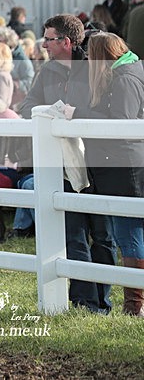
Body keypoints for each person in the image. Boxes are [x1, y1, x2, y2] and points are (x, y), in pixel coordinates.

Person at [18, 14, 116, 314]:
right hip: (62, 164)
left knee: (102, 235)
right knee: (73, 234)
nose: (43, 44)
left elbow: (107, 110)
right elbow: (26, 106)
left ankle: (103, 300)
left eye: (48, 39)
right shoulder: (47, 71)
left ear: (66, 42)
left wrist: (75, 113)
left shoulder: (95, 67)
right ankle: (83, 300)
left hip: (98, 161)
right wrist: (50, 111)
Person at [63, 33, 144, 317]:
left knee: (128, 233)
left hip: (125, 165)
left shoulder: (124, 79)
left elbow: (121, 124)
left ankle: (135, 304)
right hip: (125, 163)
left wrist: (78, 113)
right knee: (129, 231)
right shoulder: (131, 71)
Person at [0, 27, 35, 100]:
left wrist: (12, 83)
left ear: (8, 42)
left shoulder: (22, 60)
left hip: (15, 100)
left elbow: (30, 83)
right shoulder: (0, 56)